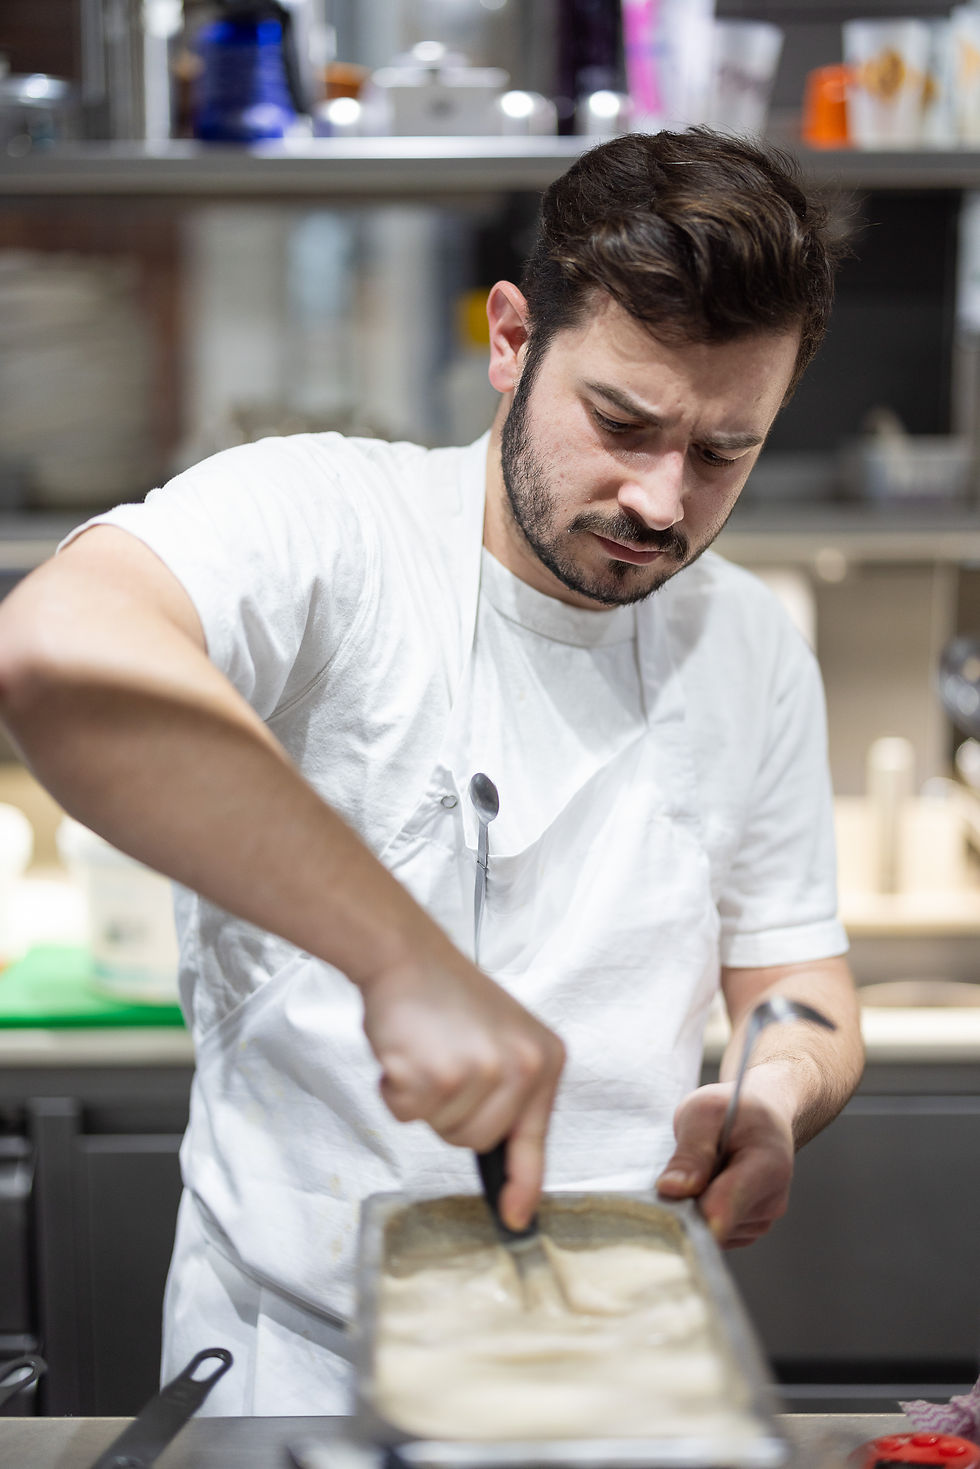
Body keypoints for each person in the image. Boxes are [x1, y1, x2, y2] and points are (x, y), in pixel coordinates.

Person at [0, 126, 863, 1415]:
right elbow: (53, 651)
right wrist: (401, 962)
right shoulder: (327, 522)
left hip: (618, 1377)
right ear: (511, 341)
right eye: (621, 422)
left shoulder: (751, 647)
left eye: (723, 452)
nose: (662, 503)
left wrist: (772, 1092)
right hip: (293, 1365)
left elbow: (796, 973)